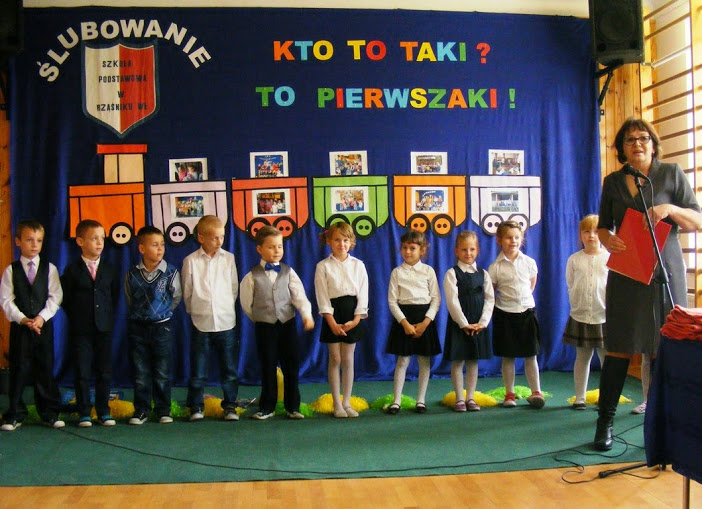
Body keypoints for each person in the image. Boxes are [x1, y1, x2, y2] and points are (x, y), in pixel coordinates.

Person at [594, 117, 702, 450]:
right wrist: (607, 239)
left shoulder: (671, 173)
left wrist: (669, 208)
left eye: (643, 138)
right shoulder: (613, 181)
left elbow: (697, 220)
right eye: (629, 140)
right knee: (619, 345)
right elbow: (603, 226)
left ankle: (663, 427)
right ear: (621, 148)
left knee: (663, 348)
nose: (637, 144)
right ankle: (604, 424)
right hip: (627, 272)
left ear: (653, 144)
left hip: (665, 271)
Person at [240, 226, 314, 420]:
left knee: (291, 366)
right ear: (259, 249)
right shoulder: (251, 276)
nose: (277, 251)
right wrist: (261, 318)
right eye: (271, 247)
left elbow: (299, 296)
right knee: (268, 366)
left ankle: (293, 406)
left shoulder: (289, 272)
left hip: (287, 325)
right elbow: (247, 304)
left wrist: (306, 315)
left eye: (279, 246)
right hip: (265, 327)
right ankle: (267, 407)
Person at [0, 220, 64, 430]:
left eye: (39, 240)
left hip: (42, 327)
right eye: (29, 240)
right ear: (18, 241)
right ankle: (15, 414)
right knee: (19, 368)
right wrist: (22, 319)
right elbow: (6, 300)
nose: (34, 245)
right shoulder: (11, 270)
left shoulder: (49, 269)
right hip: (21, 328)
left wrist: (41, 318)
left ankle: (49, 412)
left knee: (44, 368)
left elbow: (55, 297)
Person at [61, 219, 120, 427]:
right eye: (94, 238)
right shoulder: (72, 270)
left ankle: (103, 411)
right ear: (80, 241)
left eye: (102, 238)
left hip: (104, 328)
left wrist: (105, 316)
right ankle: (84, 412)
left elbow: (114, 296)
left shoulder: (110, 269)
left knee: (104, 371)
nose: (99, 243)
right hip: (81, 329)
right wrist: (78, 317)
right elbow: (66, 299)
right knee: (82, 371)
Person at [182, 215, 240, 422]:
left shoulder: (229, 259)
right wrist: (196, 311)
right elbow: (187, 292)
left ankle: (230, 406)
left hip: (226, 322)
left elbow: (233, 288)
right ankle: (196, 406)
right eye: (214, 237)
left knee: (229, 369)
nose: (219, 241)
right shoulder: (190, 261)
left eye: (222, 237)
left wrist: (225, 307)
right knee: (198, 370)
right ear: (201, 238)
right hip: (201, 322)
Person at [124, 226, 182, 425]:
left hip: (162, 328)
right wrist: (142, 315)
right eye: (155, 245)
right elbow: (129, 298)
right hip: (138, 328)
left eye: (162, 245)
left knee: (162, 372)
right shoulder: (132, 273)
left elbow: (176, 297)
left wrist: (162, 313)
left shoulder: (170, 272)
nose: (160, 249)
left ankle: (163, 410)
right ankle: (141, 410)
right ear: (142, 248)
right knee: (140, 372)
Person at [314, 222, 368, 418]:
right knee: (335, 358)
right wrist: (331, 322)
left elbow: (363, 294)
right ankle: (337, 403)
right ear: (329, 241)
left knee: (348, 359)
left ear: (351, 242)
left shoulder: (358, 265)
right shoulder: (323, 266)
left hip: (352, 315)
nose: (341, 244)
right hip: (332, 316)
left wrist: (356, 319)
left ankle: (347, 402)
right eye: (337, 240)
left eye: (345, 240)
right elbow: (322, 296)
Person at [488, 220, 545, 409]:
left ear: (522, 239)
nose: (513, 241)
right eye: (508, 238)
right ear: (499, 240)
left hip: (527, 313)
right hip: (505, 315)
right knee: (508, 356)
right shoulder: (495, 267)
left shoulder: (529, 263)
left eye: (516, 237)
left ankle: (536, 392)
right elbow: (491, 292)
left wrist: (522, 304)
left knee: (531, 355)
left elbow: (531, 286)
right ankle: (509, 394)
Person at [385, 230, 441, 415]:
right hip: (404, 319)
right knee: (402, 361)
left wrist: (425, 322)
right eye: (404, 247)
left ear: (422, 250)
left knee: (424, 361)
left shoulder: (428, 271)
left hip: (424, 319)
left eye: (412, 248)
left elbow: (436, 299)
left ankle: (421, 400)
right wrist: (405, 323)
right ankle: (397, 400)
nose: (407, 251)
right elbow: (392, 301)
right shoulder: (397, 272)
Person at [444, 231, 494, 412]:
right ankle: (459, 398)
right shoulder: (452, 273)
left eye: (472, 249)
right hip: (460, 324)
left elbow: (490, 299)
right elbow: (452, 301)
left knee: (473, 361)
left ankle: (470, 397)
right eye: (464, 249)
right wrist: (463, 323)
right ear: (456, 251)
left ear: (477, 250)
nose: (468, 253)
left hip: (478, 324)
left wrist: (483, 322)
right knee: (458, 361)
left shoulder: (483, 274)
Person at [562, 214, 607, 411]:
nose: (591, 236)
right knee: (582, 357)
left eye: (596, 232)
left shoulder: (610, 258)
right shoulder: (574, 259)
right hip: (581, 316)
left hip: (604, 317)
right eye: (587, 231)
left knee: (606, 359)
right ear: (581, 235)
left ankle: (606, 397)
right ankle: (580, 397)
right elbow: (570, 284)